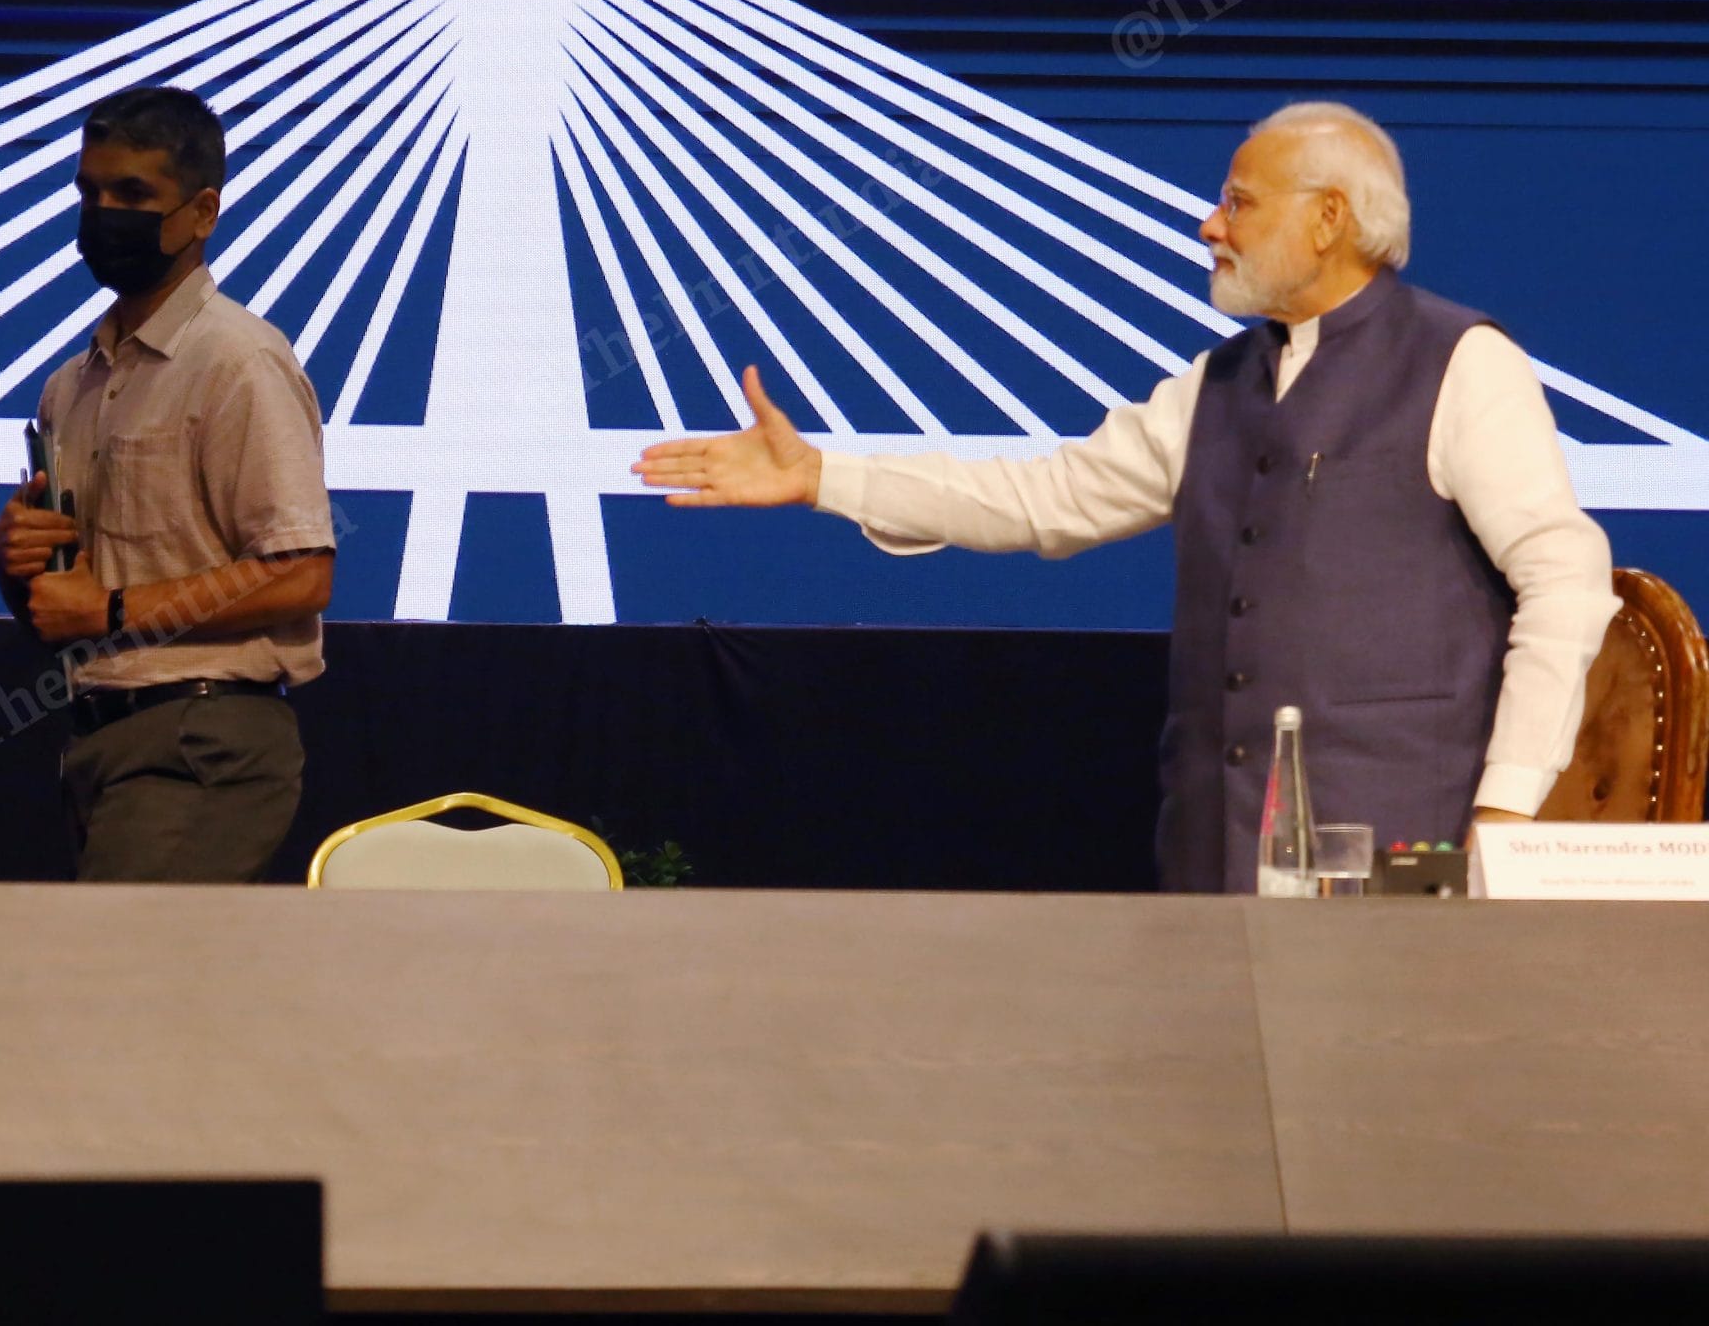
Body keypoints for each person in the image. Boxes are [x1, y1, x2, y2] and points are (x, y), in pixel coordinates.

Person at [635, 102, 1621, 892]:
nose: (1207, 225)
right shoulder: (1217, 384)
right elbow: (1043, 500)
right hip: (1212, 857)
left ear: (1329, 219)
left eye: (1238, 203)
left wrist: (1504, 816)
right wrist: (823, 478)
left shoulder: (1461, 365)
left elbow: (1565, 583)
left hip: (1409, 855)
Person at [0, 86, 335, 882]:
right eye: (90, 192)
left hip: (202, 737)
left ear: (202, 212)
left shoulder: (237, 362)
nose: (105, 213)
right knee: (145, 994)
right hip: (98, 735)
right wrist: (16, 558)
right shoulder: (69, 386)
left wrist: (111, 609)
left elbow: (304, 571)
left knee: (112, 985)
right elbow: (58, 610)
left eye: (134, 194)